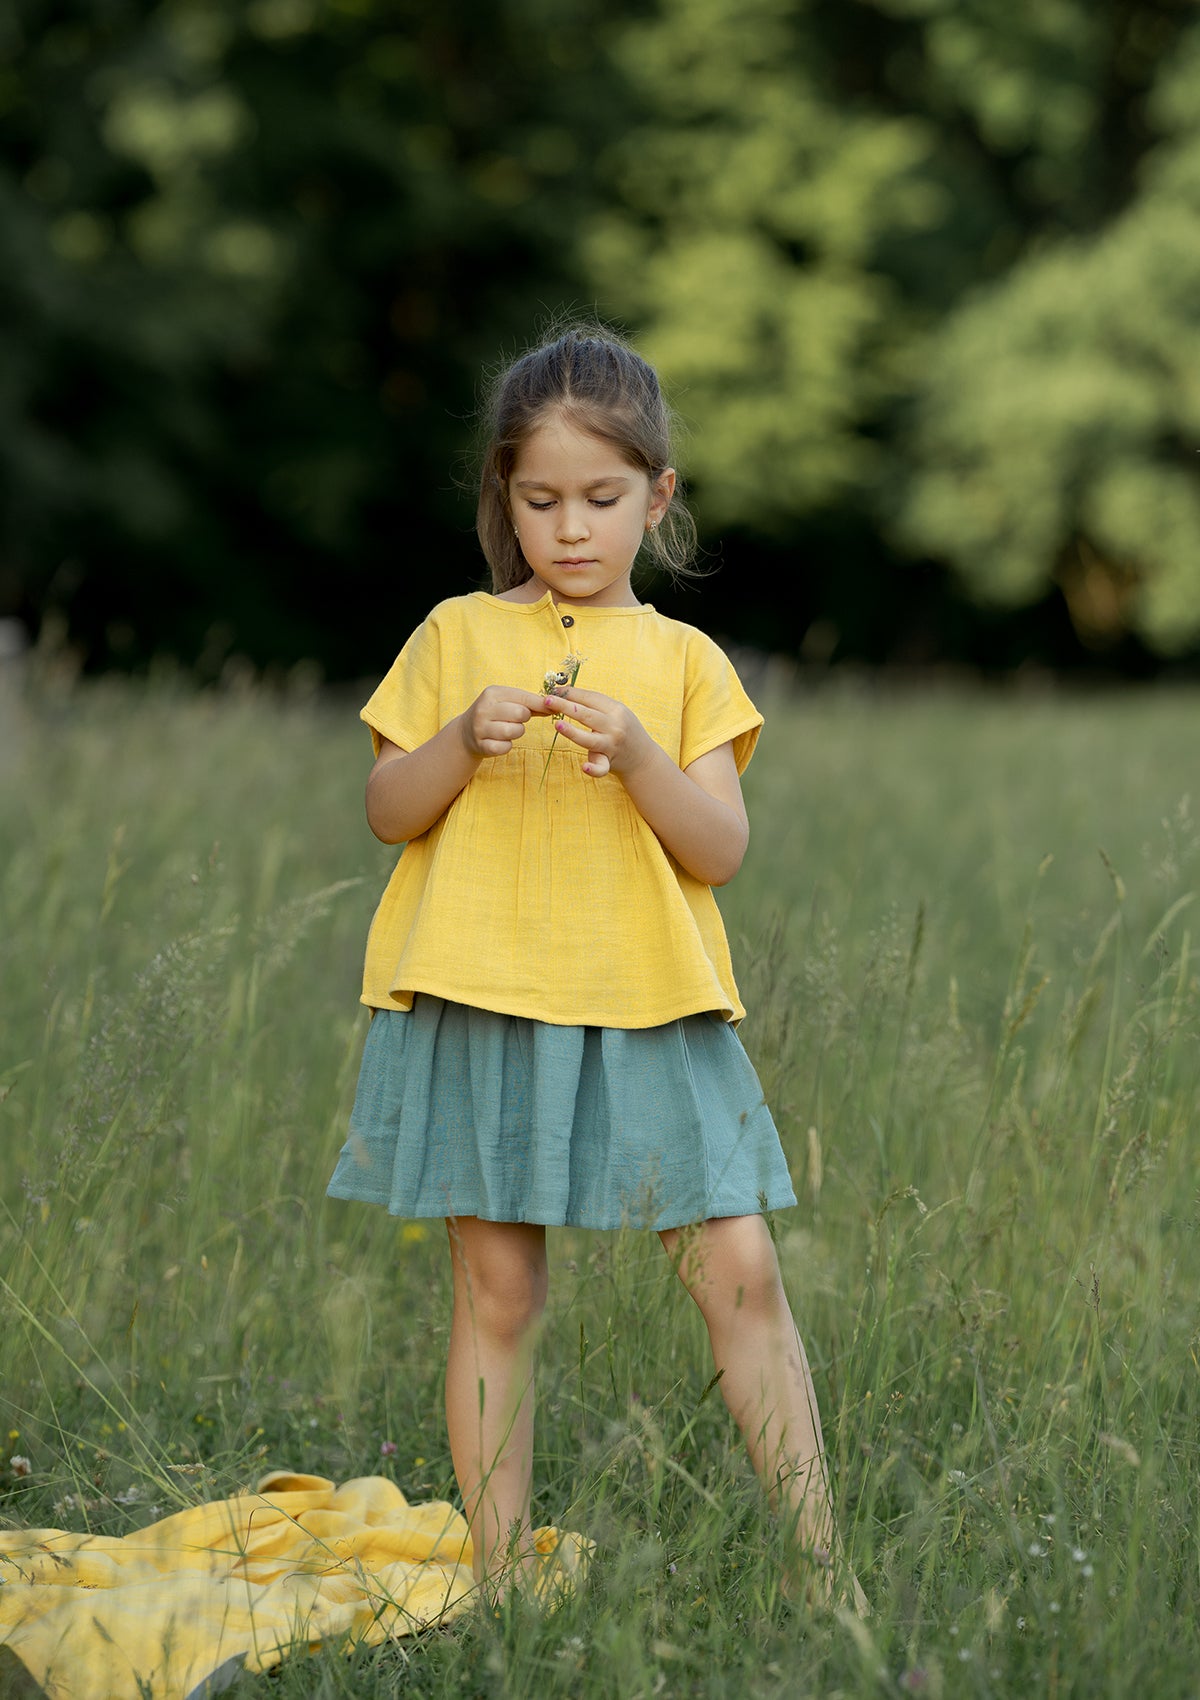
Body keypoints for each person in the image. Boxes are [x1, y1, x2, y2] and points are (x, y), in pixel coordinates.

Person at [326, 325, 859, 1610]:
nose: (572, 528)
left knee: (741, 1265)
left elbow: (719, 845)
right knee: (498, 1287)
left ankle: (825, 1572)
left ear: (658, 497)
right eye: (542, 498)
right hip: (483, 994)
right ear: (504, 497)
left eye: (604, 499)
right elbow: (388, 807)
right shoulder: (456, 633)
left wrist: (644, 758)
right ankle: (501, 1578)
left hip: (650, 1001)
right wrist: (459, 738)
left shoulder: (684, 662)